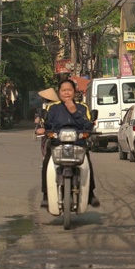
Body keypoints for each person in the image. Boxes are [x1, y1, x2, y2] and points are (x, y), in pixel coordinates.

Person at [35, 79, 99, 208]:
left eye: (69, 90)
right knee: (47, 163)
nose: (66, 93)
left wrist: (74, 111)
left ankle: (91, 194)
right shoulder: (52, 107)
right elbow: (46, 124)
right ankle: (46, 195)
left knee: (87, 163)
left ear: (74, 92)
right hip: (57, 143)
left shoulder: (82, 107)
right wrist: (41, 129)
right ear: (59, 93)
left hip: (78, 143)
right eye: (63, 90)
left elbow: (88, 124)